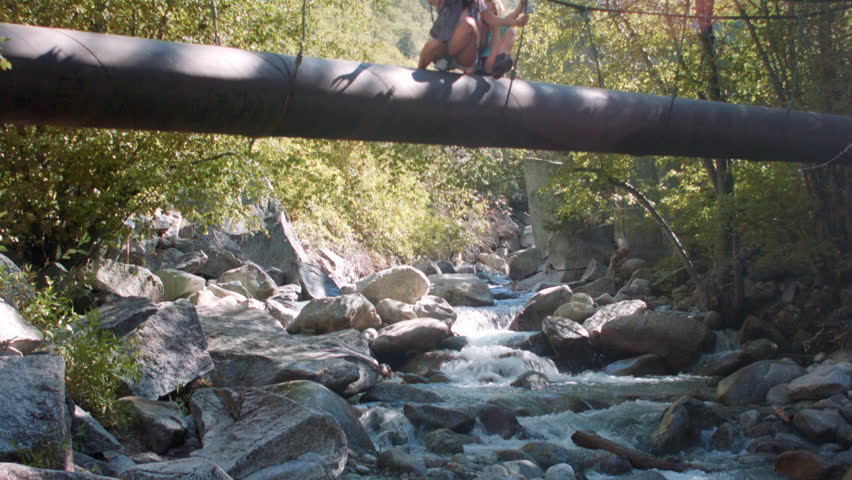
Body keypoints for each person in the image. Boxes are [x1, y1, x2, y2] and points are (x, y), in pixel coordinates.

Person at [418, 0, 527, 76]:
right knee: (431, 45)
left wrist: (516, 22)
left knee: (469, 23)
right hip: (446, 44)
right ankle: (419, 72)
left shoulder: (478, 2)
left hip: (465, 51)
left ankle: (464, 63)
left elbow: (492, 19)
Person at [479, 0, 528, 78]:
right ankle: (500, 61)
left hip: (498, 60)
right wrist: (495, 30)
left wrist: (522, 4)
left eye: (493, 11)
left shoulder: (502, 22)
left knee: (512, 29)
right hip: (483, 63)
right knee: (498, 30)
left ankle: (502, 57)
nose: (491, 14)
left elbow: (515, 14)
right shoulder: (480, 23)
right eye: (488, 11)